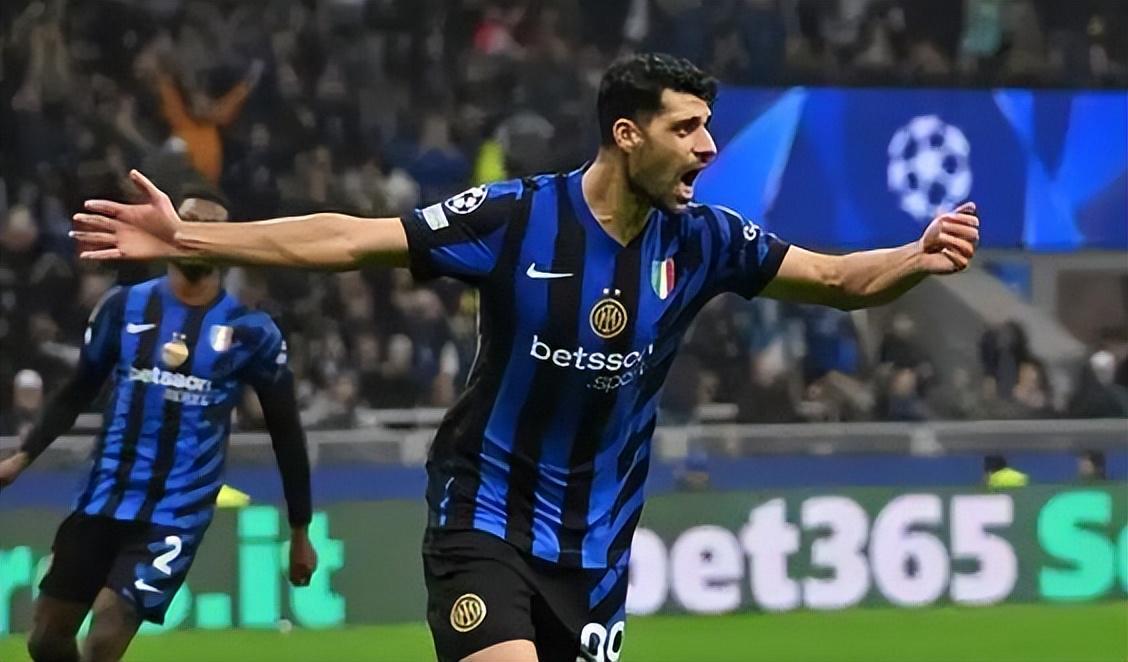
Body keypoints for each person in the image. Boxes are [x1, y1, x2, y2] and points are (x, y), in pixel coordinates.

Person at [70, 53, 980, 662]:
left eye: (709, 126)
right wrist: (192, 238)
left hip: (597, 553)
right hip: (485, 520)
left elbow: (834, 279)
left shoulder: (703, 239)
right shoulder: (513, 217)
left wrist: (916, 255)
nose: (708, 146)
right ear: (627, 134)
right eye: (688, 128)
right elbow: (349, 238)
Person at [1, 182, 317, 662]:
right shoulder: (123, 307)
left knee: (104, 638)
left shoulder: (252, 332)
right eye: (189, 220)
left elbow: (286, 431)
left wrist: (300, 530)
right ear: (172, 228)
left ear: (227, 243)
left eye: (212, 227)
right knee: (46, 640)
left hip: (175, 511)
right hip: (103, 495)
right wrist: (22, 456)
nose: (198, 233)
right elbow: (78, 390)